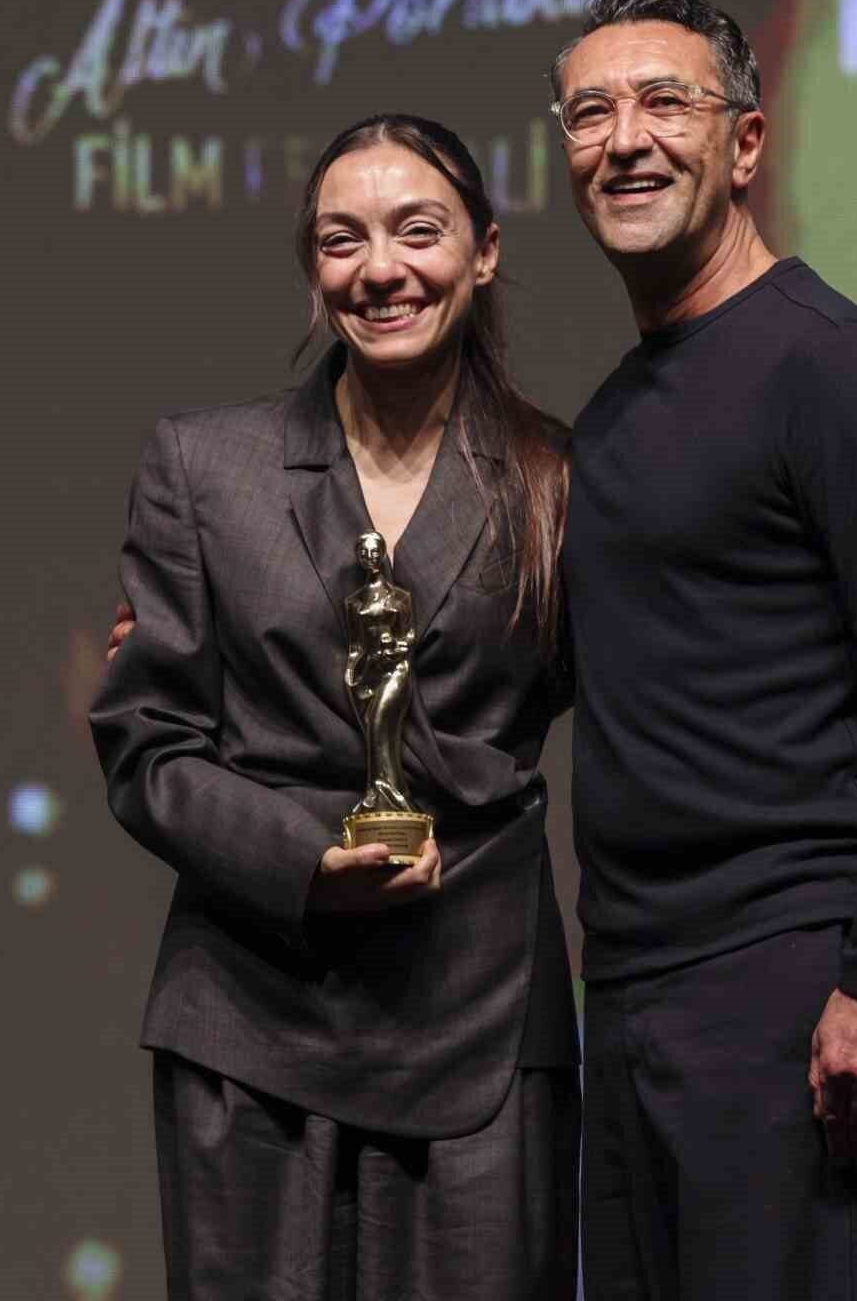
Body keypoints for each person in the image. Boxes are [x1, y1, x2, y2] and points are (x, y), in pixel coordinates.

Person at [548, 0, 857, 1301]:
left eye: (664, 102)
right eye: (590, 112)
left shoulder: (833, 371)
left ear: (744, 143)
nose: (625, 139)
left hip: (784, 994)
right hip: (627, 991)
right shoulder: (615, 412)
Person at [90, 114, 580, 1301]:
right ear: (313, 267)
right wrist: (304, 856)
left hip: (479, 1005)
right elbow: (146, 744)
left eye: (418, 231)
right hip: (250, 1011)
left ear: (484, 251)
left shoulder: (562, 479)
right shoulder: (206, 467)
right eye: (340, 239)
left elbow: (644, 703)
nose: (379, 269)